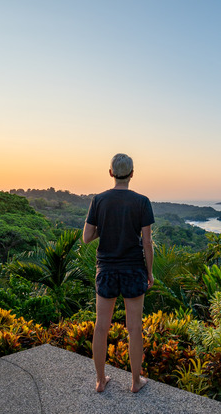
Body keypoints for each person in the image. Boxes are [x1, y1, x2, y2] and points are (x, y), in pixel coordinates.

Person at [83, 153, 154, 394]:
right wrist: (150, 273)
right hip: (133, 269)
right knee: (134, 328)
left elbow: (86, 237)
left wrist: (106, 228)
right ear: (132, 173)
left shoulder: (99, 200)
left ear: (111, 172)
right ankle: (135, 382)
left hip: (106, 269)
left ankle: (100, 381)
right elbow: (147, 242)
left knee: (101, 326)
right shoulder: (142, 201)